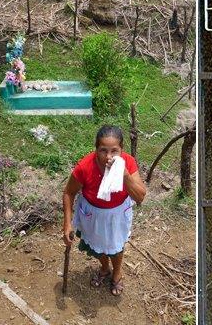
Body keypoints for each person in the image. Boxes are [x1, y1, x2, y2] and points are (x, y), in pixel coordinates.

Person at [63, 125, 147, 296]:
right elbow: (69, 192)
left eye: (114, 151)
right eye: (103, 150)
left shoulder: (128, 163)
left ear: (122, 150)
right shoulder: (85, 166)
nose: (108, 157)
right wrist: (67, 224)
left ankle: (117, 272)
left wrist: (125, 176)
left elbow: (140, 197)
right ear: (96, 149)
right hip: (92, 214)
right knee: (98, 247)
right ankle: (104, 267)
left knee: (116, 248)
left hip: (116, 214)